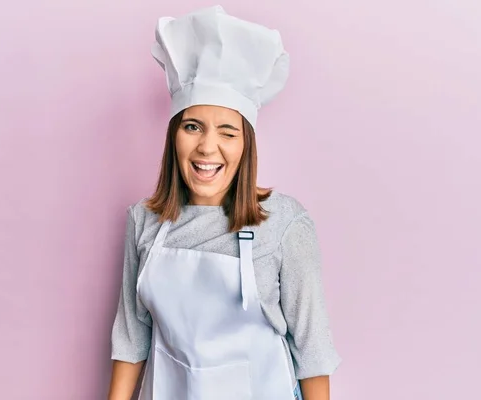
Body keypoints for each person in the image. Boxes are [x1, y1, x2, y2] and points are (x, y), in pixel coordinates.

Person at [107, 6, 341, 400]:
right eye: (192, 126)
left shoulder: (284, 223)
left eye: (227, 132)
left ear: (245, 145)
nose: (207, 148)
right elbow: (132, 340)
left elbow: (312, 352)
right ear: (174, 136)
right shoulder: (143, 221)